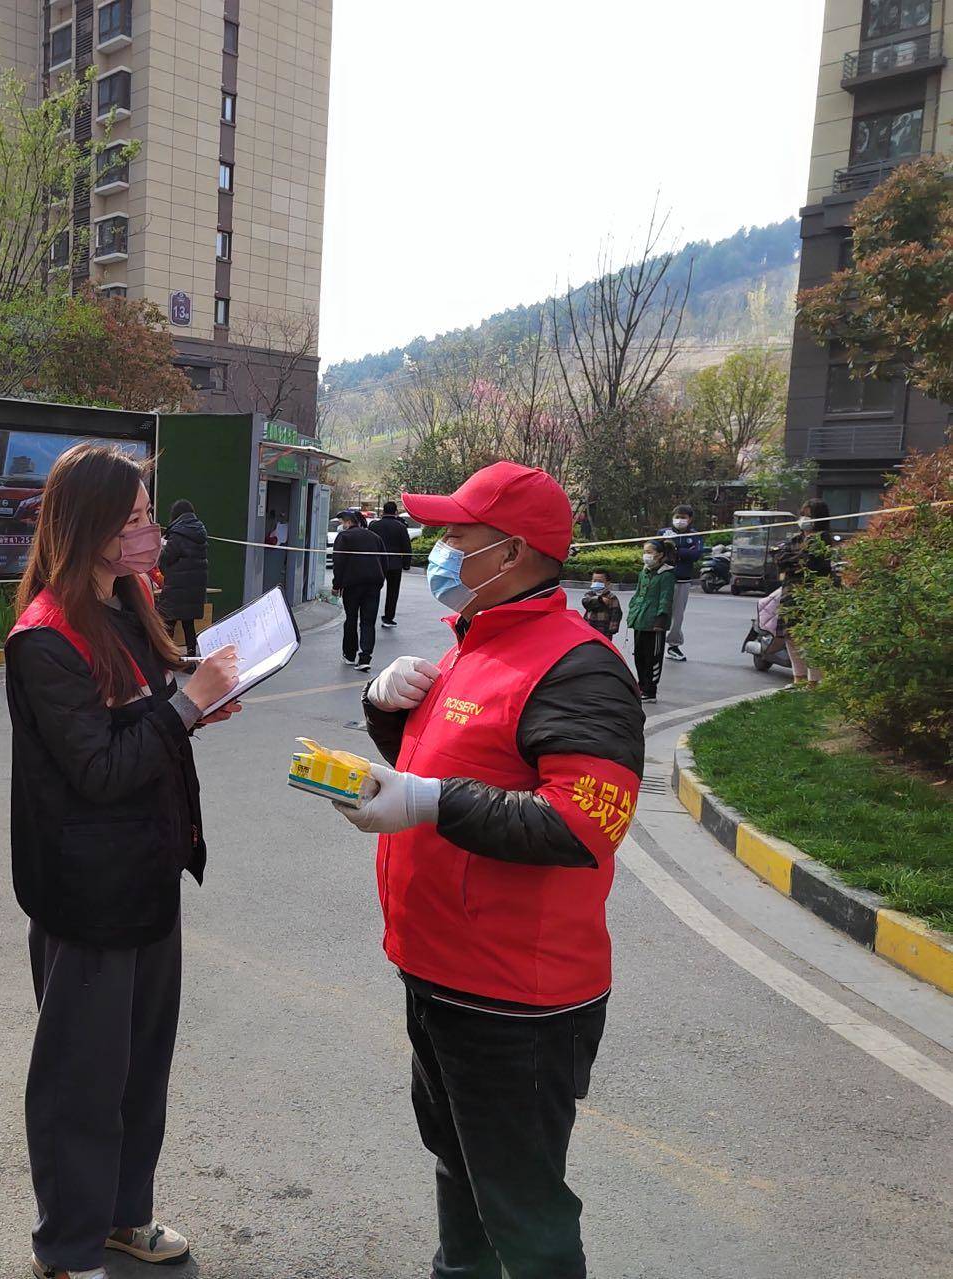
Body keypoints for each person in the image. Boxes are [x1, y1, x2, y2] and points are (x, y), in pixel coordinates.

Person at [333, 460, 644, 1279]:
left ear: (511, 553)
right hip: (438, 970)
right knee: (460, 1167)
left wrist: (429, 801)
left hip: (515, 999)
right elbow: (457, 767)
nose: (438, 549)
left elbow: (581, 823)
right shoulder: (477, 641)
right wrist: (384, 712)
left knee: (523, 1209)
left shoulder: (579, 668)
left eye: (456, 535)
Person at [4, 443, 243, 1279]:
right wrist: (186, 709)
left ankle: (122, 1216)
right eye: (136, 519)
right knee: (82, 1079)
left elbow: (146, 707)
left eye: (149, 516)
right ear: (91, 528)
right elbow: (100, 769)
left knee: (141, 1068)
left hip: (147, 876)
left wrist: (194, 695)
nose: (152, 534)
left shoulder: (125, 603)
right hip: (88, 894)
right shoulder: (45, 638)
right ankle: (67, 1248)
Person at [775, 499, 836, 689]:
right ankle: (798, 678)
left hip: (812, 594)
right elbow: (780, 557)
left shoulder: (823, 539)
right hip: (790, 592)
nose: (804, 519)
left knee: (810, 636)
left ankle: (813, 681)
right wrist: (792, 560)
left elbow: (810, 562)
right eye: (803, 514)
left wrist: (792, 561)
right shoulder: (796, 539)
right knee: (791, 634)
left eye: (809, 515)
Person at [331, 509, 386, 673]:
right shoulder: (375, 537)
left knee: (351, 618)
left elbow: (338, 562)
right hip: (373, 584)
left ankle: (349, 654)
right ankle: (365, 658)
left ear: (348, 522)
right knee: (368, 621)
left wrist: (336, 585)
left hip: (352, 585)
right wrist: (380, 580)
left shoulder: (344, 537)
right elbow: (384, 561)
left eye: (342, 522)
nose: (342, 525)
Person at [156, 498, 209, 658]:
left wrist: (162, 546)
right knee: (188, 624)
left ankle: (167, 658)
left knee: (168, 623)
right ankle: (191, 658)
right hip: (194, 589)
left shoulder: (177, 534)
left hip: (177, 587)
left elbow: (167, 558)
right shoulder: (200, 533)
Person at [628, 539, 676, 704]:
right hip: (640, 619)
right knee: (639, 656)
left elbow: (666, 598)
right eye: (645, 552)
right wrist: (633, 612)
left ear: (660, 554)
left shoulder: (666, 575)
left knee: (652, 657)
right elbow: (637, 594)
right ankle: (641, 686)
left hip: (654, 623)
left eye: (649, 552)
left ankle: (650, 690)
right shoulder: (644, 572)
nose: (646, 555)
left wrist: (661, 619)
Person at [657, 504, 703, 662]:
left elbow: (695, 554)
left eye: (683, 517)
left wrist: (675, 548)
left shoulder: (695, 535)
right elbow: (656, 551)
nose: (679, 520)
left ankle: (673, 646)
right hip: (663, 579)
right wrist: (678, 550)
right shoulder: (663, 533)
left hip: (682, 580)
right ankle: (654, 643)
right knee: (658, 612)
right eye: (677, 517)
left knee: (677, 616)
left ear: (690, 519)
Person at [368, 501, 413, 627]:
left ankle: (369, 616)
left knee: (373, 590)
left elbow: (369, 543)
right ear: (396, 512)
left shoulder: (374, 526)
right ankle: (388, 618)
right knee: (393, 592)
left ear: (383, 511)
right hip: (395, 564)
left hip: (377, 563)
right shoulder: (401, 527)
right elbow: (406, 546)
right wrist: (406, 564)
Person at [580, 568, 623, 638]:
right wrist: (600, 599)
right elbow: (585, 602)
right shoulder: (590, 594)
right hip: (589, 628)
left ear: (607, 583)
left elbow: (616, 614)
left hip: (604, 630)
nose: (597, 583)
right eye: (594, 581)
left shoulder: (611, 597)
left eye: (600, 581)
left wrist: (612, 629)